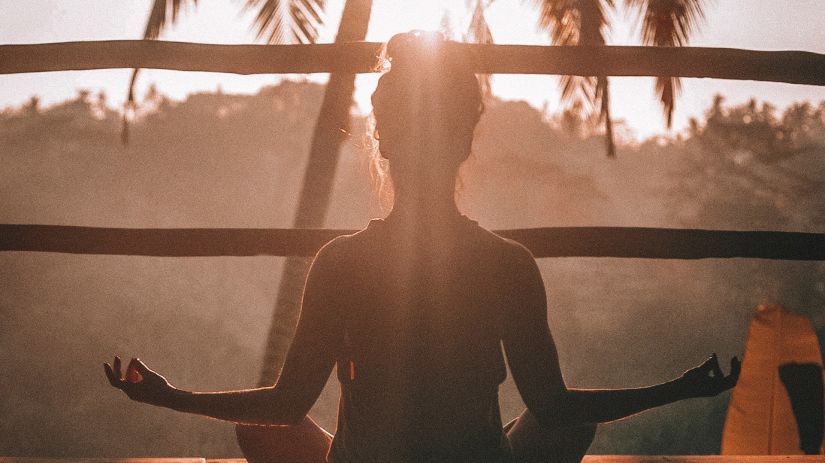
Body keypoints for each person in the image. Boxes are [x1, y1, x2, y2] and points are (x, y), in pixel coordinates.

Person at [104, 31, 740, 463]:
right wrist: (677, 390)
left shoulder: (342, 263)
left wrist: (169, 395)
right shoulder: (507, 265)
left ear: (382, 140)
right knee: (572, 422)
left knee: (259, 431)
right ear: (465, 141)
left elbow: (287, 404)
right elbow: (554, 407)